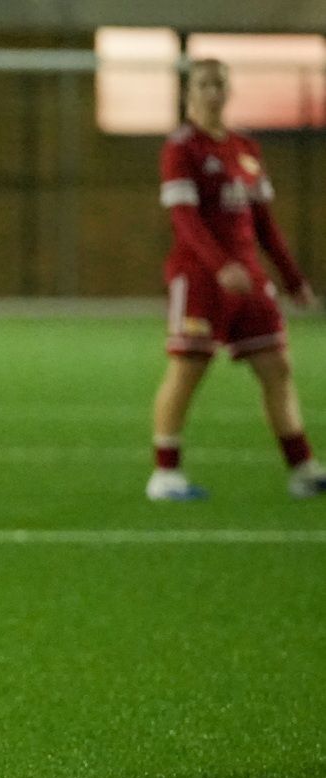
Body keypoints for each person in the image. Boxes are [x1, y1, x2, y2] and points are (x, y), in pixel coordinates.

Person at [147, 58, 323, 501]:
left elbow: (264, 222)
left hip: (251, 279)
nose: (214, 92)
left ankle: (303, 469)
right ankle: (165, 474)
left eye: (220, 84)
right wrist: (219, 265)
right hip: (201, 279)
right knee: (188, 368)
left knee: (276, 367)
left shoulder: (245, 147)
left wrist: (293, 278)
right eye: (205, 84)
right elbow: (185, 219)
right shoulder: (181, 148)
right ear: (189, 93)